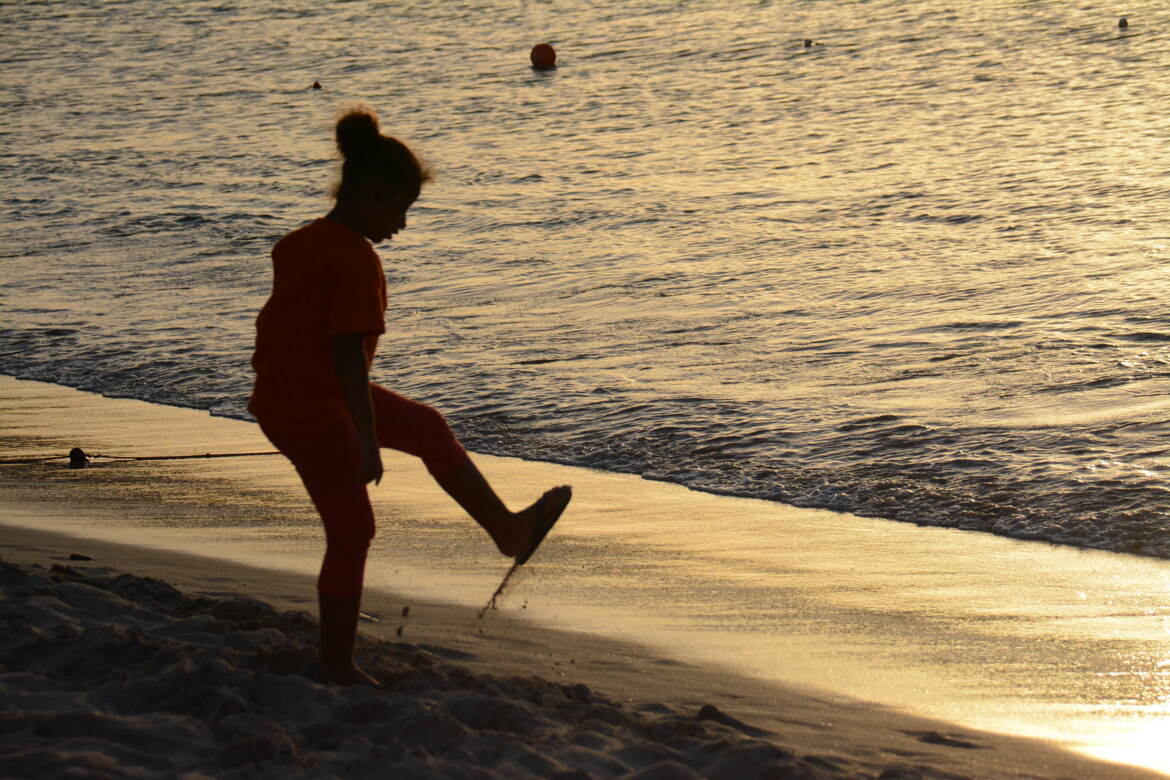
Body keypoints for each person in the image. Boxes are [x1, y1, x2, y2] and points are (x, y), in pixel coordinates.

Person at [249, 106, 571, 686]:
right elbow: (347, 354)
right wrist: (365, 438)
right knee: (352, 531)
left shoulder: (301, 242)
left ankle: (507, 531)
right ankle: (337, 664)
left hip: (291, 394)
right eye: (400, 210)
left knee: (426, 428)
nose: (402, 224)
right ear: (369, 195)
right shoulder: (354, 259)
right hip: (313, 411)